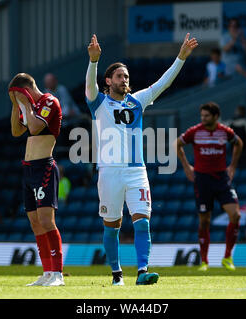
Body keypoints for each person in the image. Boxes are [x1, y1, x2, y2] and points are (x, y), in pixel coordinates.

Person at [86, 33, 198, 285]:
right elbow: (89, 88)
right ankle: (116, 275)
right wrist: (93, 61)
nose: (124, 79)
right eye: (119, 76)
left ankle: (142, 272)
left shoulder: (138, 100)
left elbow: (163, 83)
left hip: (137, 171)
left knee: (142, 221)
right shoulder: (99, 103)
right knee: (111, 225)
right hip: (109, 172)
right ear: (108, 80)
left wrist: (181, 58)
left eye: (126, 76)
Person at [8, 73, 64, 287]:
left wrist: (26, 103)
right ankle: (47, 272)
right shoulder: (27, 106)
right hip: (28, 169)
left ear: (26, 90)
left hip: (44, 167)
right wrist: (16, 106)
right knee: (34, 223)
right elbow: (16, 131)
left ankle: (57, 273)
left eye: (18, 94)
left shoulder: (49, 101)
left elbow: (34, 128)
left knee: (46, 220)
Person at [175, 102, 243, 272]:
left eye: (206, 116)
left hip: (221, 179)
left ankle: (227, 257)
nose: (203, 119)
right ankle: (204, 261)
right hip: (202, 180)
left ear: (215, 117)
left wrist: (233, 166)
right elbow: (178, 144)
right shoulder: (195, 131)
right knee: (204, 221)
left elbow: (238, 143)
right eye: (202, 116)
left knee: (235, 215)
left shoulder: (224, 131)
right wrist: (186, 166)